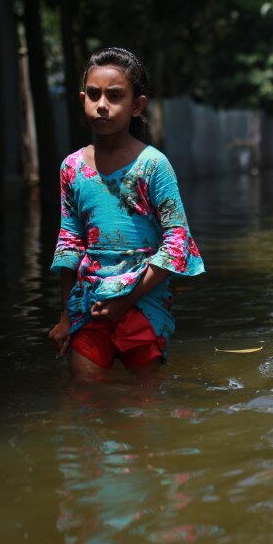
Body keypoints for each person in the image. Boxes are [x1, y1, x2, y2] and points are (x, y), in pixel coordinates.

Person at [47, 47, 204, 380]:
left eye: (115, 96)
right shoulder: (71, 168)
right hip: (89, 303)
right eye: (93, 95)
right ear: (82, 99)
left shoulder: (153, 166)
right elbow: (69, 242)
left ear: (137, 106)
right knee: (84, 399)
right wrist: (65, 315)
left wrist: (126, 299)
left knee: (143, 409)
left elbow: (177, 241)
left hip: (144, 302)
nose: (102, 105)